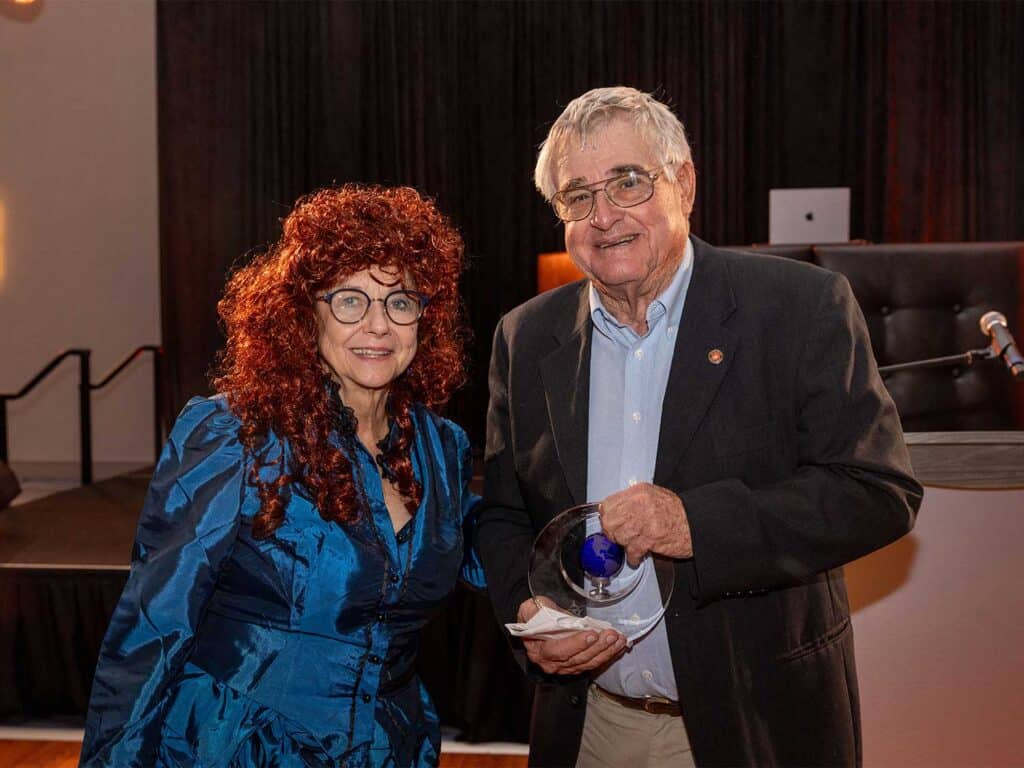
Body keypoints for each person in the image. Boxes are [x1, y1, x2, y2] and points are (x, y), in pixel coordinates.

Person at [475, 86, 923, 768]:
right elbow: (503, 515)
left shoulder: (799, 307)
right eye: (578, 196)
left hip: (755, 723)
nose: (604, 216)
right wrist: (530, 608)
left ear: (682, 182)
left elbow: (877, 492)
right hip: (591, 723)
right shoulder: (527, 337)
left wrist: (694, 524)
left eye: (627, 182)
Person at [80, 184, 484, 768]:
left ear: (426, 316)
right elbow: (155, 623)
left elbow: (486, 545)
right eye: (350, 300)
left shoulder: (441, 449)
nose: (378, 325)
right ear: (305, 313)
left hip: (389, 746)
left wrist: (584, 563)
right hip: (243, 744)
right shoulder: (236, 435)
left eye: (400, 301)